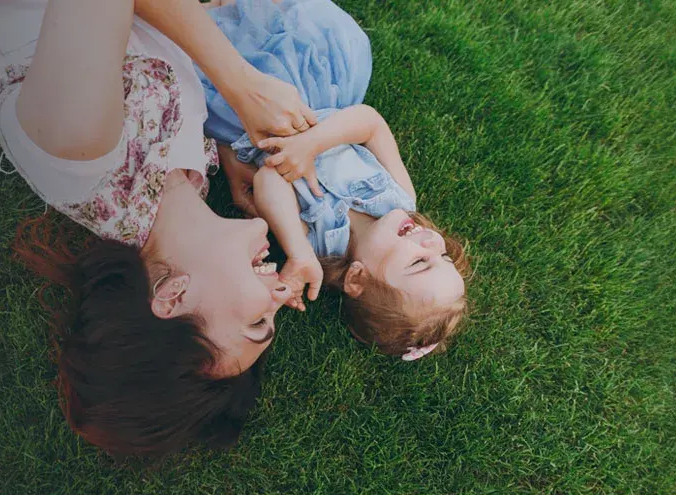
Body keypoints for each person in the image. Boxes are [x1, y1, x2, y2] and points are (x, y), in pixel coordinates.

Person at [0, 0, 318, 458]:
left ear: (172, 297)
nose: (281, 296)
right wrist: (224, 149)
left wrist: (241, 83)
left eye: (257, 321)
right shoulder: (180, 183)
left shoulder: (82, 157)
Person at [200, 0, 472, 361]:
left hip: (255, 125)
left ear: (357, 279)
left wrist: (296, 250)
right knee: (290, 23)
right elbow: (369, 122)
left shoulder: (317, 245)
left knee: (209, 75)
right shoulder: (400, 197)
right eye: (443, 256)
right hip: (320, 95)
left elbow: (268, 182)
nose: (431, 241)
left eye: (420, 262)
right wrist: (312, 143)